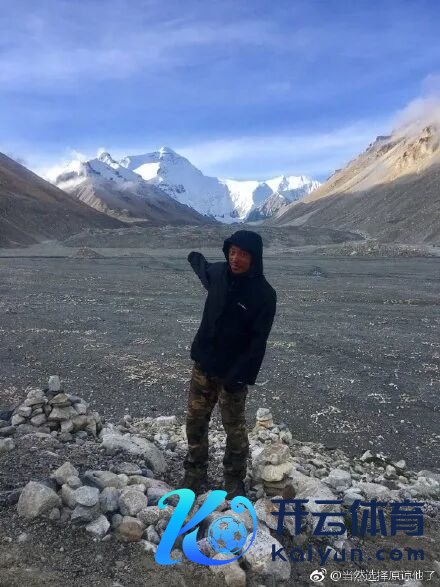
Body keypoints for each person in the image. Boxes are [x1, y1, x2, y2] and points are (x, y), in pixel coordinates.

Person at [181, 230, 277, 499]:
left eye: (243, 254)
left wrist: (240, 377)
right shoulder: (219, 274)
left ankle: (233, 478)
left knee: (234, 428)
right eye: (232, 252)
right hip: (204, 365)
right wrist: (194, 257)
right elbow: (203, 270)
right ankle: (195, 471)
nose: (236, 258)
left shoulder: (264, 295)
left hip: (233, 375)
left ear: (254, 258)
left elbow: (258, 343)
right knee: (195, 420)